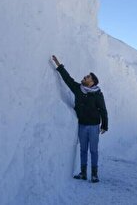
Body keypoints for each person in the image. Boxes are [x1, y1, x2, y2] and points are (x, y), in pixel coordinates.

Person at [51, 55, 108, 183]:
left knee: (93, 150)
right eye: (85, 76)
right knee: (83, 150)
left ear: (92, 82)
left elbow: (103, 110)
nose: (84, 77)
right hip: (82, 125)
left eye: (87, 77)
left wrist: (105, 125)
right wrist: (58, 65)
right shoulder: (78, 89)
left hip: (94, 126)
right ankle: (83, 173)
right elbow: (68, 79)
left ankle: (94, 174)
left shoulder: (98, 94)